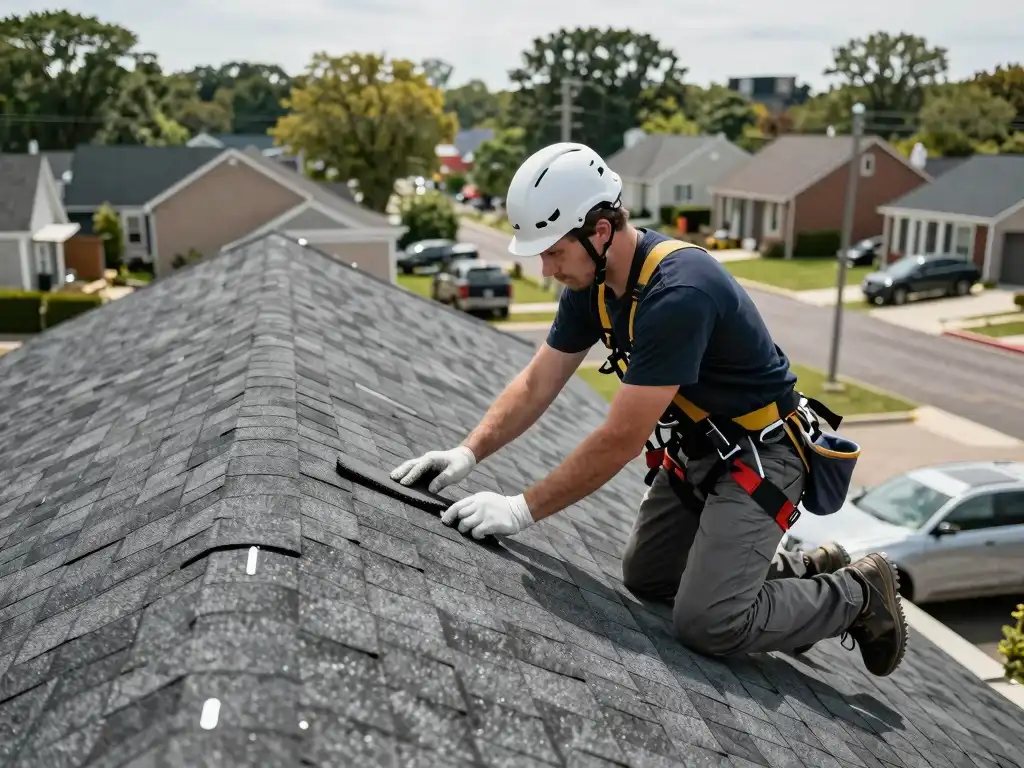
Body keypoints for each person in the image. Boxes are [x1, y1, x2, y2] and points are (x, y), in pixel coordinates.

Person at [391, 142, 908, 677]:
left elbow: (622, 437)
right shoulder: (593, 284)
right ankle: (801, 573)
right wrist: (467, 452)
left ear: (599, 231)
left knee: (709, 622)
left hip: (763, 456)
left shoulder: (679, 291)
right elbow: (538, 381)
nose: (545, 269)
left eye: (552, 251)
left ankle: (857, 593)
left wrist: (520, 509)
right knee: (648, 579)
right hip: (702, 447)